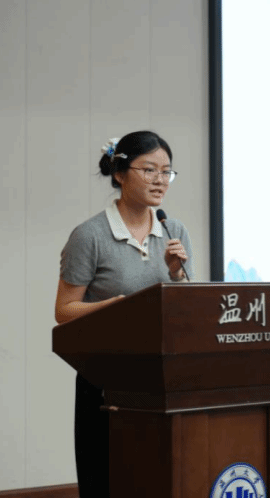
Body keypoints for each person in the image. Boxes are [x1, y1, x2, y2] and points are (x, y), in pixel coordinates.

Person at [54, 130, 193, 497]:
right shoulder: (90, 235)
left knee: (160, 477)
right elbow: (64, 310)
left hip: (162, 375)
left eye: (166, 171)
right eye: (149, 170)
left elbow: (187, 310)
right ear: (119, 173)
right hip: (106, 378)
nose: (160, 180)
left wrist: (176, 274)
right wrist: (115, 309)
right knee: (108, 479)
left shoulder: (173, 230)